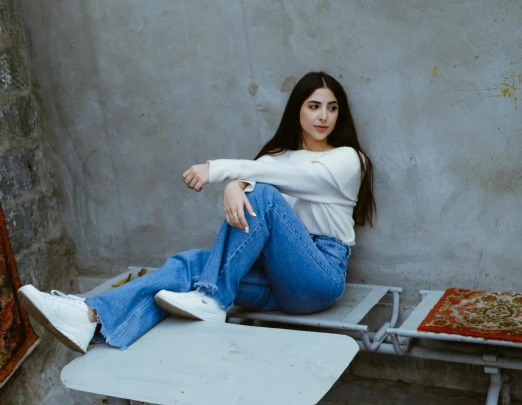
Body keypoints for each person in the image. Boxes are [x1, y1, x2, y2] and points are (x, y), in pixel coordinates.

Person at [18, 71, 375, 354]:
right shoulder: (272, 159)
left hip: (319, 277)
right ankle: (92, 316)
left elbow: (293, 180)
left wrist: (223, 172)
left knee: (263, 197)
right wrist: (235, 184)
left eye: (331, 107)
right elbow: (264, 178)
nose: (323, 116)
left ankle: (213, 297)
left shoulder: (347, 159)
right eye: (314, 106)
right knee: (190, 264)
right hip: (273, 279)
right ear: (298, 109)